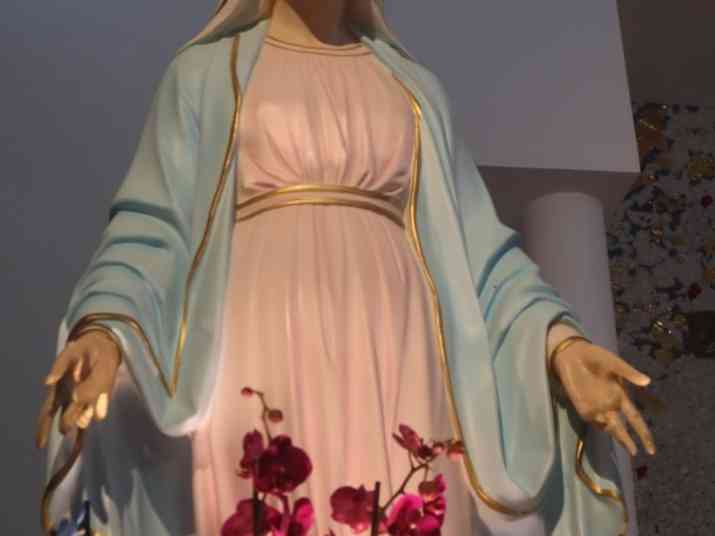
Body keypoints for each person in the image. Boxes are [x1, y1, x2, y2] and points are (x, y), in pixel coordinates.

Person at [37, 1, 656, 534]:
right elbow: (153, 229)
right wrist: (106, 326)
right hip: (259, 337)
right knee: (274, 496)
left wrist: (559, 342)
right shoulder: (205, 74)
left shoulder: (413, 90)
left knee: (402, 494)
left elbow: (483, 257)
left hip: (402, 345)